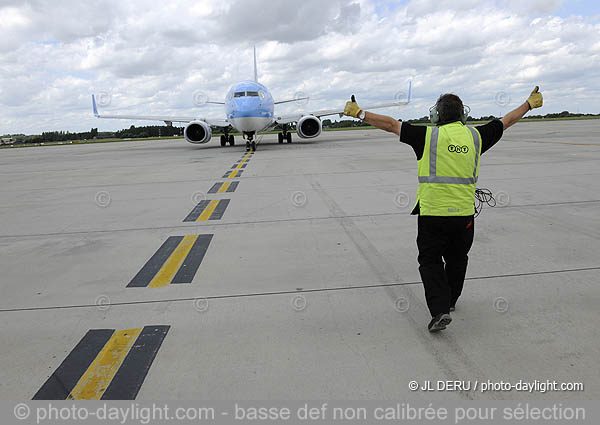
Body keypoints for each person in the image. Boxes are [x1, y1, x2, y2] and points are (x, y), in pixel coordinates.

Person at [343, 87, 543, 332]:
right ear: (463, 116)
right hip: (464, 216)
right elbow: (506, 121)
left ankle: (439, 310)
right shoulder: (477, 136)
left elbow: (391, 125)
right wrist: (529, 104)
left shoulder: (427, 136)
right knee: (458, 258)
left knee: (430, 261)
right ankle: (451, 300)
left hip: (432, 215)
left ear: (437, 116)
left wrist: (360, 113)